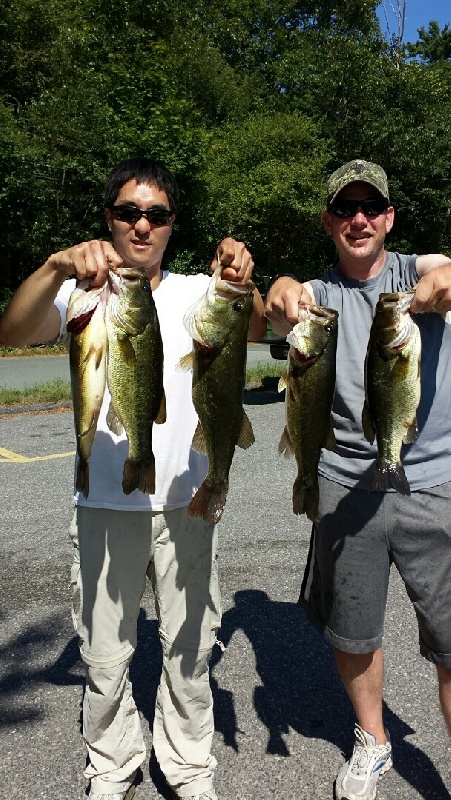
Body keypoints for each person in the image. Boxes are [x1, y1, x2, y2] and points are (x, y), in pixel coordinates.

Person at [0, 157, 266, 800]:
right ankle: (113, 762)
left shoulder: (196, 293)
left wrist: (243, 278)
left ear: (172, 226)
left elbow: (256, 327)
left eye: (156, 215)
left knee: (190, 644)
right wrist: (57, 265)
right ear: (109, 221)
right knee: (105, 650)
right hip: (103, 502)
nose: (141, 225)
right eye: (128, 213)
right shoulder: (81, 292)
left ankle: (187, 764)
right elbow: (10, 332)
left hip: (186, 502)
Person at [265, 159, 451, 800]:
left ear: (390, 217)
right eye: (345, 209)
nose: (359, 219)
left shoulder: (413, 273)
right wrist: (282, 287)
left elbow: (448, 271)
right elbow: (273, 307)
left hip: (433, 481)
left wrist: (443, 280)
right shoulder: (316, 297)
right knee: (354, 628)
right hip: (343, 479)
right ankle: (373, 739)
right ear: (329, 222)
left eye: (372, 207)